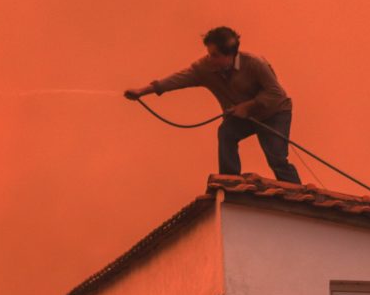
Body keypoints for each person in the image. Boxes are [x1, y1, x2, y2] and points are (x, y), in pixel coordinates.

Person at [124, 26, 301, 183]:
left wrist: (248, 106)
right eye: (209, 54)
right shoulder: (205, 68)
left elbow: (276, 93)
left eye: (215, 55)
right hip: (242, 116)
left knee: (277, 159)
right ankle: (229, 181)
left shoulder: (255, 64)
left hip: (274, 113)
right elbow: (178, 79)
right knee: (226, 132)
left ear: (230, 55)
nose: (210, 58)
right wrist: (142, 91)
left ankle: (299, 198)